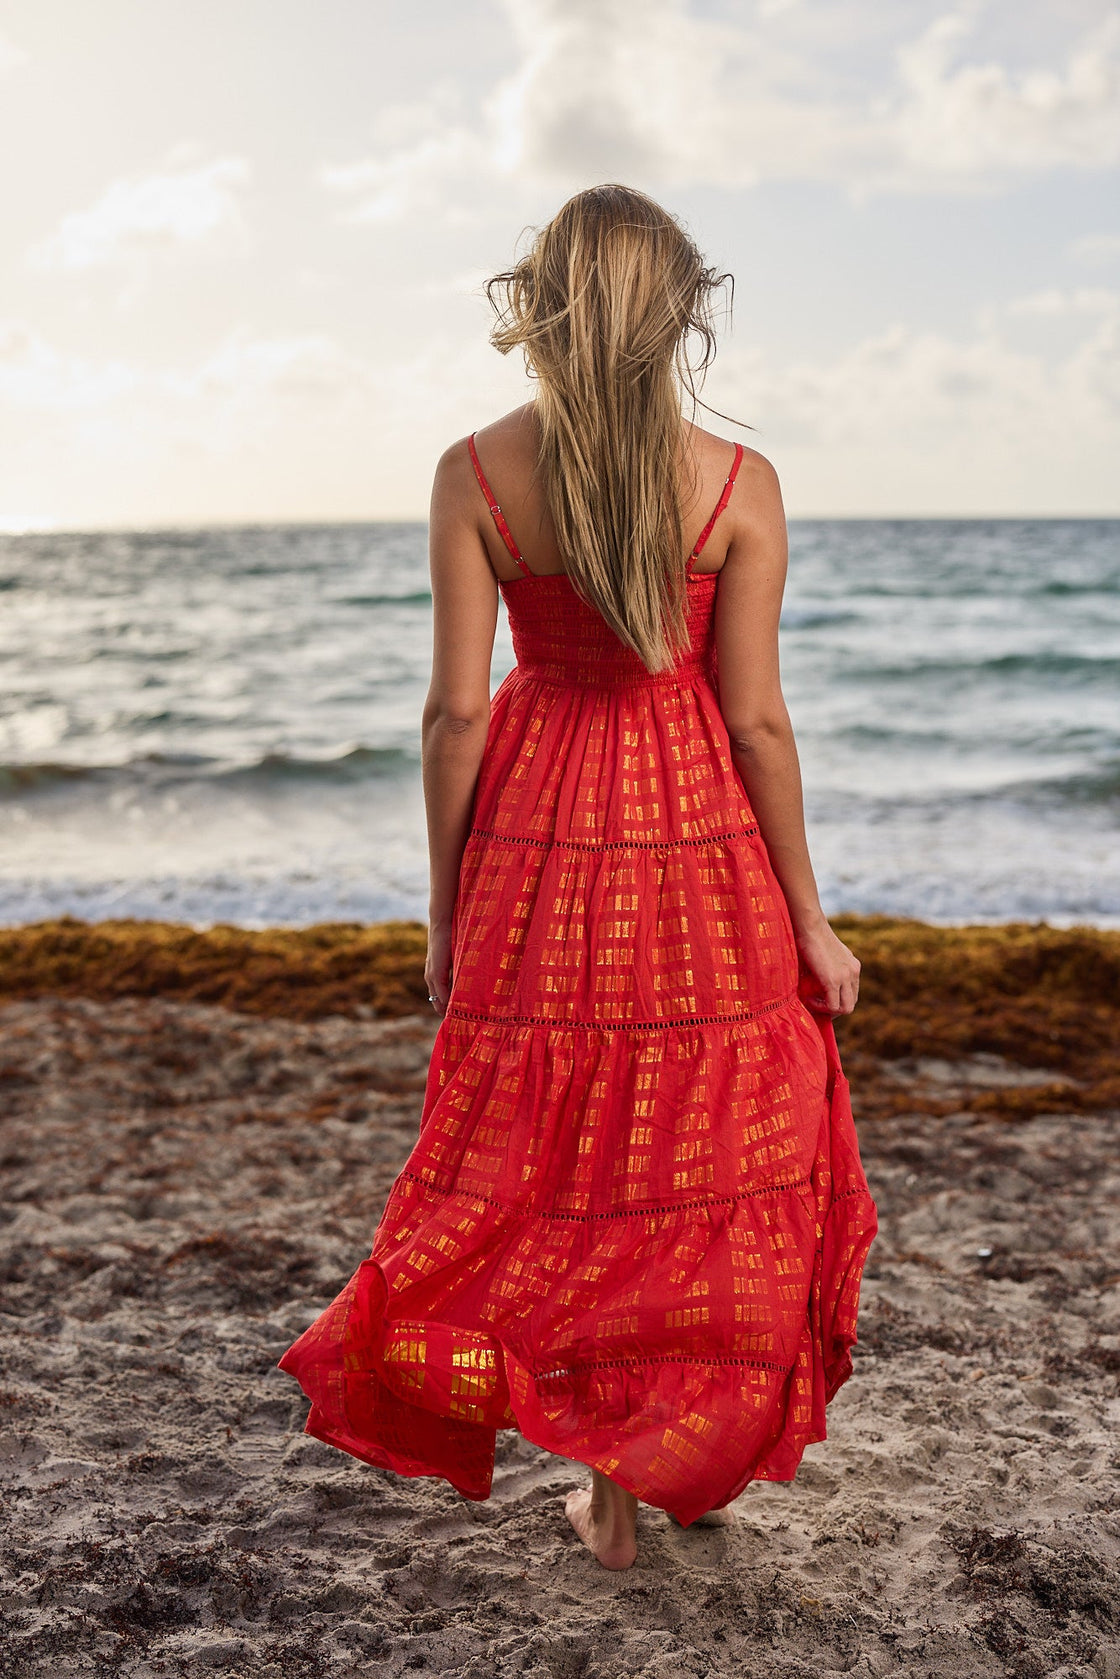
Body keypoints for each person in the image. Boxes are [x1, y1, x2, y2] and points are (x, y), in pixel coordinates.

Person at [278, 183, 878, 1572]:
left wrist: (447, 909)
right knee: (700, 1140)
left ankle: (612, 1488)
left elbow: (454, 716)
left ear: (539, 307)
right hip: (694, 831)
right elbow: (756, 723)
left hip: (543, 833)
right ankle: (677, 1461)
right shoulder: (737, 484)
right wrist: (810, 916)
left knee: (563, 1156)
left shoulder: (474, 473)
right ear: (679, 315)